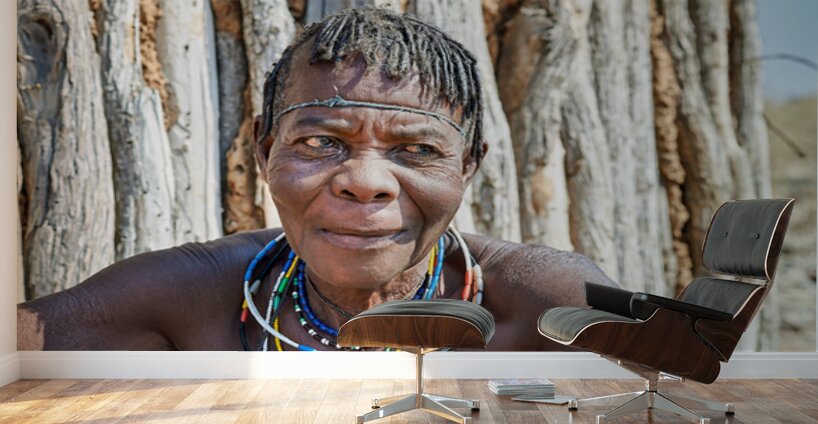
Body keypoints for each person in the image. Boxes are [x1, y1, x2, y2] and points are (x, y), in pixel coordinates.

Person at [17, 8, 616, 351]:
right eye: (320, 142)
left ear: (468, 167)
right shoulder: (191, 299)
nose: (365, 182)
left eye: (416, 149)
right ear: (264, 149)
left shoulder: (545, 305)